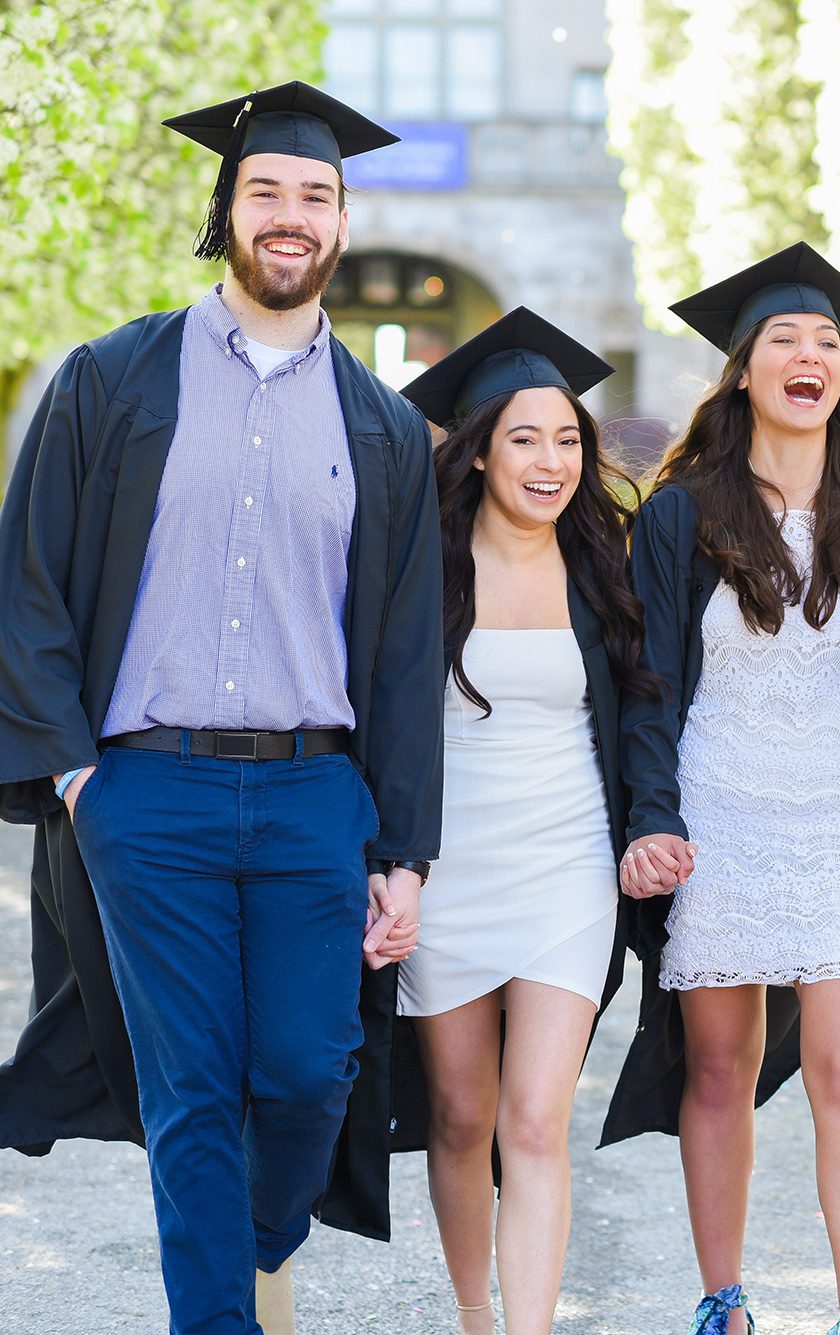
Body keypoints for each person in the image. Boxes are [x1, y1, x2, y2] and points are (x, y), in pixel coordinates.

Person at [0, 81, 442, 1335]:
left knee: (308, 1073)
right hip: (149, 790)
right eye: (267, 194)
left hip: (314, 793)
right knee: (190, 1090)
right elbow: (24, 584)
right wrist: (84, 782)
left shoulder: (384, 429)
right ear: (227, 212)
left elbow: (404, 654)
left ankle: (252, 1246)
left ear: (342, 222)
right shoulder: (110, 380)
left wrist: (402, 849)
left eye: (315, 196)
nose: (290, 217)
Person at [605, 242, 840, 1335]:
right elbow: (650, 688)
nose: (809, 355)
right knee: (719, 1069)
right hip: (717, 811)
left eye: (828, 342)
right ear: (740, 372)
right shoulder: (681, 518)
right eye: (784, 339)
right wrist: (653, 817)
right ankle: (722, 1299)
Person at [391, 309, 650, 1335]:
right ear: (481, 449)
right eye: (525, 438)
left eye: (569, 439)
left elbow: (644, 715)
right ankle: (473, 1315)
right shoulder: (420, 572)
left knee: (534, 1117)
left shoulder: (606, 568)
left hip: (565, 865)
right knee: (460, 1116)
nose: (551, 461)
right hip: (446, 866)